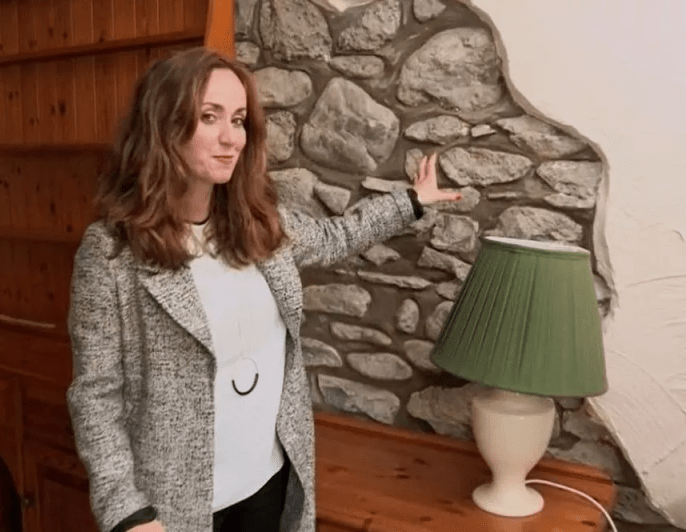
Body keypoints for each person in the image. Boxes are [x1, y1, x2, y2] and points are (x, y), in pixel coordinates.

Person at [66, 46, 461, 532]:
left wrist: (411, 203)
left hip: (270, 485)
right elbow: (95, 396)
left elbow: (336, 237)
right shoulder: (110, 254)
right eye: (209, 117)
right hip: (175, 508)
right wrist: (127, 512)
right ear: (164, 125)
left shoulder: (260, 227)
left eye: (238, 119)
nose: (230, 137)